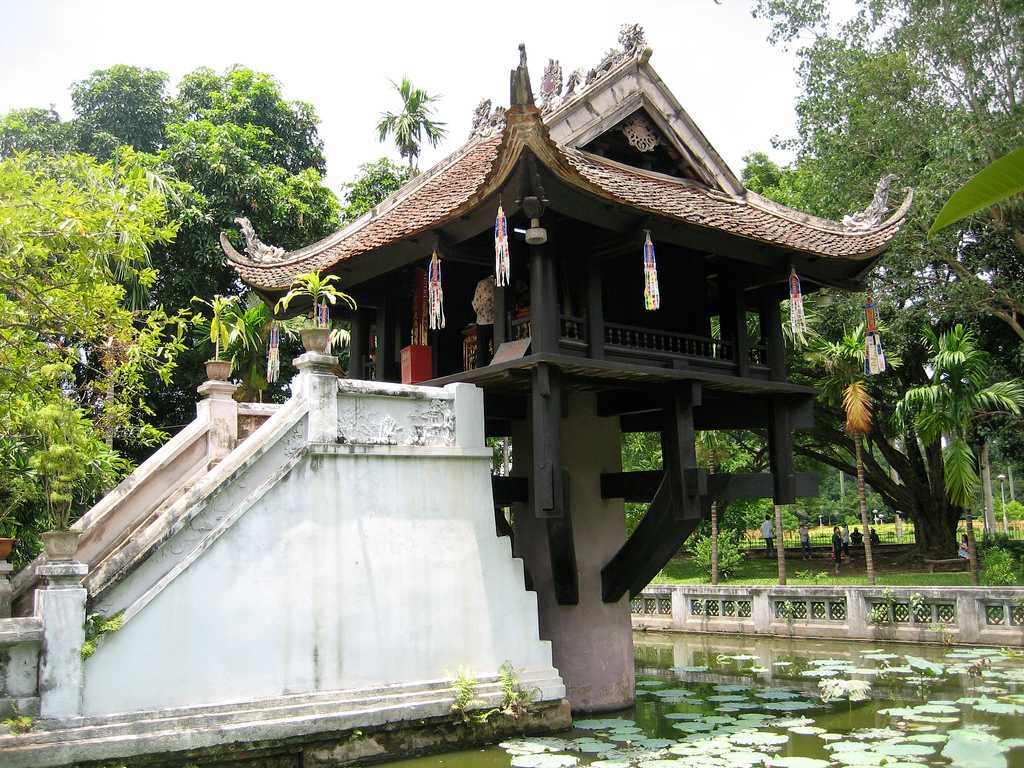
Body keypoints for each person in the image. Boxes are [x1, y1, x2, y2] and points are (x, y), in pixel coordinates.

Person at [471, 275, 495, 368]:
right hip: (497, 321)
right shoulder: (501, 282)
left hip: (482, 321)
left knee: (482, 350)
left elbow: (476, 304)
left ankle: (481, 369)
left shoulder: (482, 283)